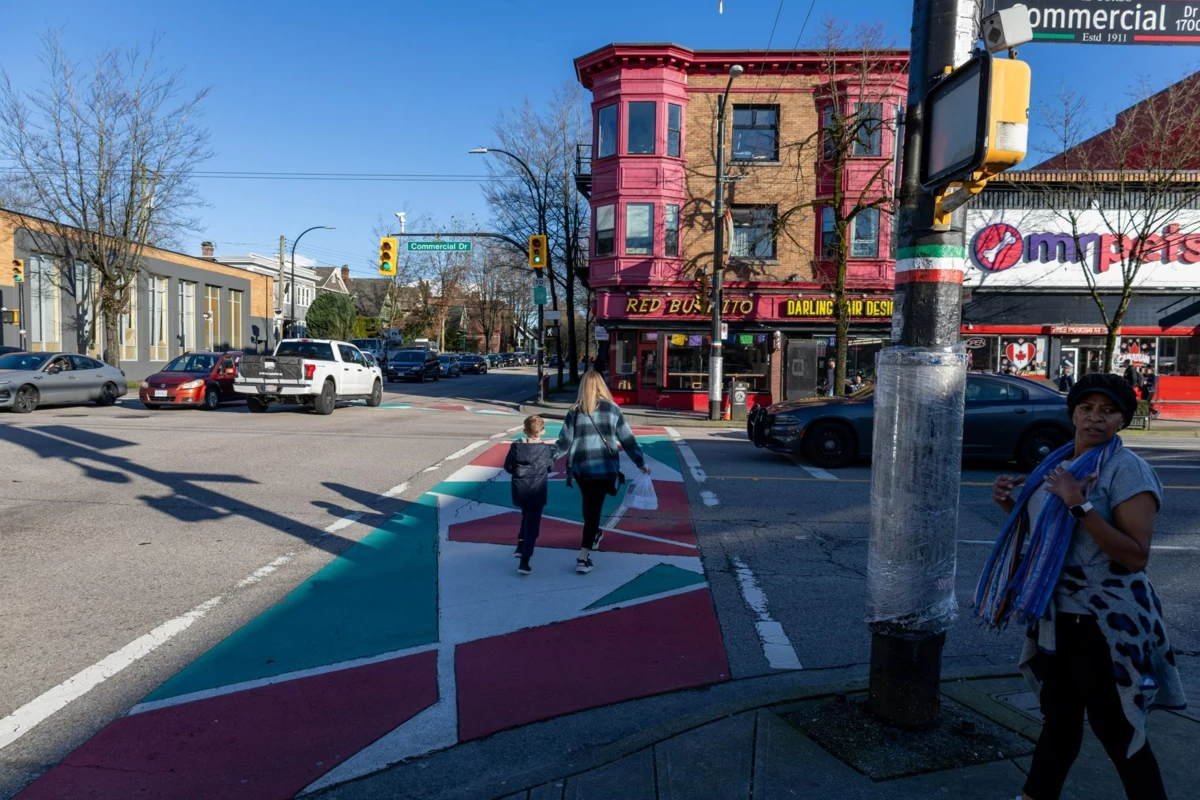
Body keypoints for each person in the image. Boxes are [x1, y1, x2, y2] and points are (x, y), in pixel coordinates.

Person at [986, 373, 1185, 800]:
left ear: (1122, 420)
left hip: (1105, 623)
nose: (1095, 418)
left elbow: (1134, 556)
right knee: (1059, 722)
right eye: (1086, 408)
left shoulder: (1127, 470)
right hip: (1058, 616)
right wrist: (1010, 505)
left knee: (1117, 729)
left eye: (1108, 410)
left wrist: (1079, 503)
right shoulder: (1057, 464)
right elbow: (1049, 542)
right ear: (1073, 412)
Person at [555, 371, 649, 574]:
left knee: (589, 506)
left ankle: (594, 533)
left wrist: (547, 457)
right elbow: (627, 439)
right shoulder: (613, 410)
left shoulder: (575, 411)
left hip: (581, 470)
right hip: (604, 469)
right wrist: (640, 462)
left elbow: (564, 442)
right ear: (601, 386)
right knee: (593, 511)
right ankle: (583, 557)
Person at [503, 415, 556, 576]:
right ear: (543, 431)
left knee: (525, 515)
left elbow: (508, 466)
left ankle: (520, 544)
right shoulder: (546, 450)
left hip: (520, 488)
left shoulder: (516, 447)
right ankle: (525, 561)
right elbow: (550, 468)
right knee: (533, 524)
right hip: (537, 489)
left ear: (525, 430)